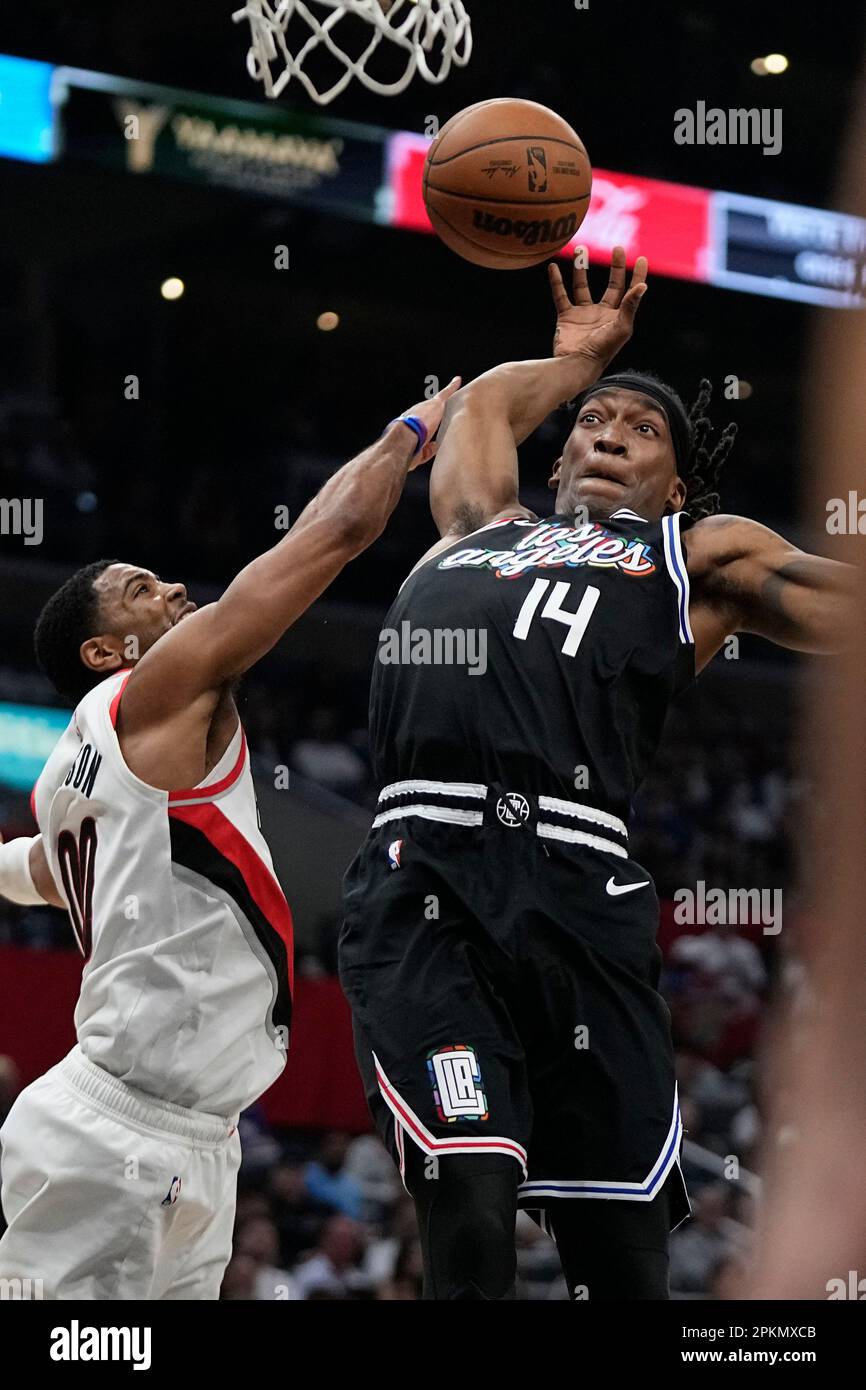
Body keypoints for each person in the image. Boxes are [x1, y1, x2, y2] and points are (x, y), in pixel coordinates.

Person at [339, 245, 854, 1300]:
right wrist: (574, 365)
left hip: (583, 898)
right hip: (430, 883)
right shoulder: (478, 524)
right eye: (591, 422)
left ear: (676, 483)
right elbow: (481, 403)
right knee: (472, 1208)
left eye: (641, 426)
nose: (608, 432)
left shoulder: (692, 555)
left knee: (621, 1266)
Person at [0, 377, 460, 1299]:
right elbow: (328, 538)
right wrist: (406, 435)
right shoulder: (158, 693)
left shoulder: (65, 782)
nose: (172, 586)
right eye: (139, 589)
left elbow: (36, 873)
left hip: (195, 1140)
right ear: (108, 652)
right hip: (115, 1132)